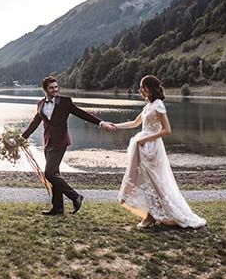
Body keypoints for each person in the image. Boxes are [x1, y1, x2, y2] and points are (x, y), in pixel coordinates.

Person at [109, 75, 206, 228]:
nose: (141, 90)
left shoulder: (159, 105)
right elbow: (135, 123)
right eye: (141, 87)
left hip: (152, 148)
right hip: (142, 146)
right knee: (145, 181)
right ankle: (151, 214)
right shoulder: (149, 105)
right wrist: (115, 126)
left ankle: (153, 216)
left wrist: (146, 139)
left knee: (154, 181)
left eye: (143, 87)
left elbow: (167, 130)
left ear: (151, 88)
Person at [21, 76, 113, 215]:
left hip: (60, 142)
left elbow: (82, 114)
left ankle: (75, 196)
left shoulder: (65, 102)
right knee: (55, 174)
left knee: (50, 173)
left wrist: (100, 123)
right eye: (52, 88)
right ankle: (57, 208)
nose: (55, 90)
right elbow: (35, 123)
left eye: (56, 87)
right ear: (45, 89)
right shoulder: (40, 104)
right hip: (47, 142)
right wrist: (21, 138)